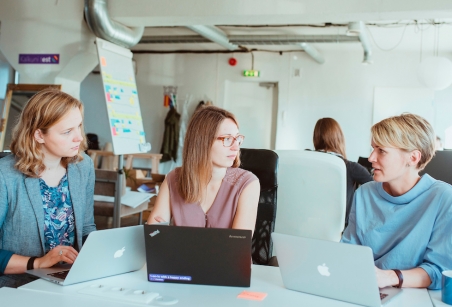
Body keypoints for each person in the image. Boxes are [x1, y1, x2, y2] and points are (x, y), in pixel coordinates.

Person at [341, 113, 452, 290]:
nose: (371, 158)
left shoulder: (443, 198)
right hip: (365, 290)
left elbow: (439, 271)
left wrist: (390, 277)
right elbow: (348, 253)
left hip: (415, 296)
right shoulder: (364, 194)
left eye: (381, 151)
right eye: (372, 149)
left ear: (413, 158)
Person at [0, 89, 96, 288]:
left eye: (79, 126)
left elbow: (87, 228)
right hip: (18, 285)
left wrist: (98, 258)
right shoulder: (5, 175)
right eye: (67, 131)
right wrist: (38, 263)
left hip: (69, 280)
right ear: (39, 135)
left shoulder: (82, 166)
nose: (78, 137)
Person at [147, 106, 260, 233]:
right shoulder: (173, 179)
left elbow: (237, 246)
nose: (236, 147)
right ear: (202, 142)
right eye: (227, 139)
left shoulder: (247, 183)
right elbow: (154, 234)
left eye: (237, 138)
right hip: (180, 253)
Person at [313, 118, 373, 223]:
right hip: (339, 230)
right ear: (339, 138)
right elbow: (375, 188)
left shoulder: (307, 163)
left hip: (308, 223)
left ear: (315, 137)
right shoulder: (350, 167)